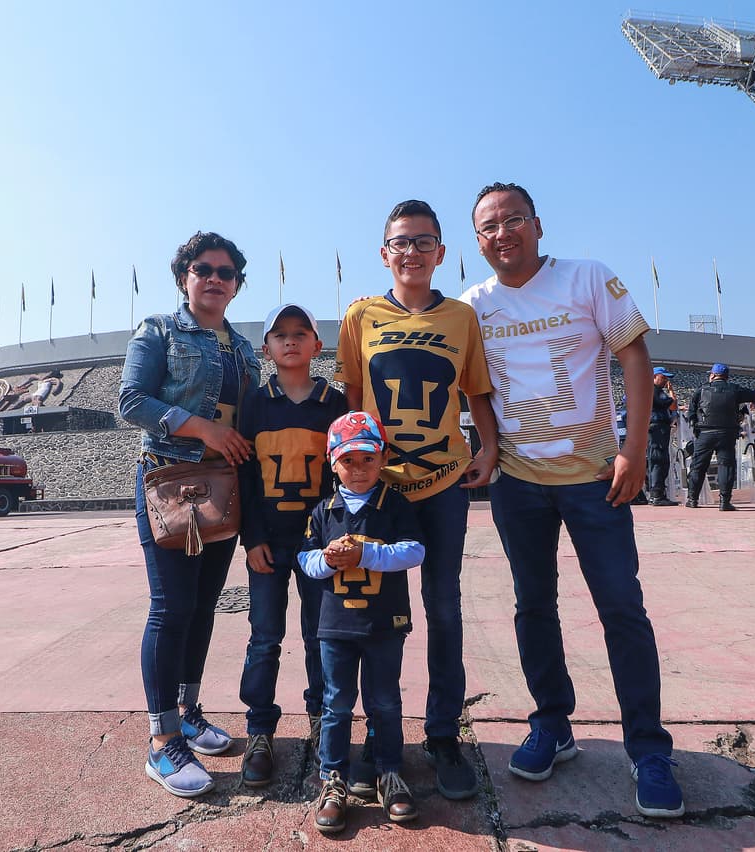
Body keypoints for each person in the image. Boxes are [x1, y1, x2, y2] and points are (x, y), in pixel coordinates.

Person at [462, 181, 684, 818]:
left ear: (537, 225)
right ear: (477, 242)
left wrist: (634, 447)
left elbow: (634, 357)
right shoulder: (472, 305)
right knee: (533, 606)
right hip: (519, 483)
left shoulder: (588, 278)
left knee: (621, 608)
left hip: (595, 479)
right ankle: (552, 724)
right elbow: (476, 386)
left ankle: (648, 749)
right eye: (488, 228)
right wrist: (487, 444)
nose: (502, 234)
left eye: (513, 221)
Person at [334, 199, 498, 801]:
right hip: (381, 489)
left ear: (441, 252)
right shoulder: (359, 316)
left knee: (444, 606)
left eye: (423, 241)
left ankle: (443, 733)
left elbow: (476, 390)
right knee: (369, 613)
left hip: (444, 482)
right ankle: (376, 740)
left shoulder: (461, 318)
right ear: (384, 254)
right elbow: (352, 400)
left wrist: (489, 447)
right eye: (401, 242)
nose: (411, 251)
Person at [119, 230, 260, 797]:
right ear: (184, 277)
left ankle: (188, 710)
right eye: (203, 269)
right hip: (173, 483)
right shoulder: (158, 330)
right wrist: (205, 428)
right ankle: (161, 740)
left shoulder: (243, 347)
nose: (215, 279)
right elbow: (131, 401)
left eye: (227, 273)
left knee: (203, 609)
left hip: (223, 488)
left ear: (236, 286)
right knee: (171, 607)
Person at [236, 303, 348, 787]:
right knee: (265, 637)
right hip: (269, 543)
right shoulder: (254, 404)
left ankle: (323, 721)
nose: (290, 341)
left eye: (301, 333)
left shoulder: (335, 403)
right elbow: (244, 475)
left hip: (316, 545)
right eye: (279, 334)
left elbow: (344, 477)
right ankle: (260, 728)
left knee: (318, 636)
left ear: (317, 345)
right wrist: (252, 538)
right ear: (267, 349)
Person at [300, 411, 426, 832]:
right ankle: (332, 779)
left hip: (384, 623)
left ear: (383, 458)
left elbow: (414, 551)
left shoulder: (394, 503)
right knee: (336, 702)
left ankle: (389, 772)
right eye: (349, 460)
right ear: (333, 462)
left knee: (385, 701)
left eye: (367, 459)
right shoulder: (323, 511)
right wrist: (328, 559)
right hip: (335, 625)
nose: (358, 469)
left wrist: (366, 555)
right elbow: (304, 559)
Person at [686, 364, 755, 511]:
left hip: (704, 433)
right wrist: (754, 401)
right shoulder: (735, 389)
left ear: (713, 375)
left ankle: (692, 499)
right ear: (726, 376)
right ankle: (724, 501)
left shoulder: (701, 390)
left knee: (698, 466)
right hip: (727, 433)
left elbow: (691, 413)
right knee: (726, 466)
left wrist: (695, 427)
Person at [646, 367, 679, 505]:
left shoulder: (654, 391)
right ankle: (657, 495)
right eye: (663, 377)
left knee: (658, 460)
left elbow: (672, 407)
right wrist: (671, 392)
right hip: (657, 428)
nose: (666, 380)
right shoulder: (654, 391)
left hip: (658, 429)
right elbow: (672, 404)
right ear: (654, 376)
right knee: (658, 460)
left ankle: (656, 493)